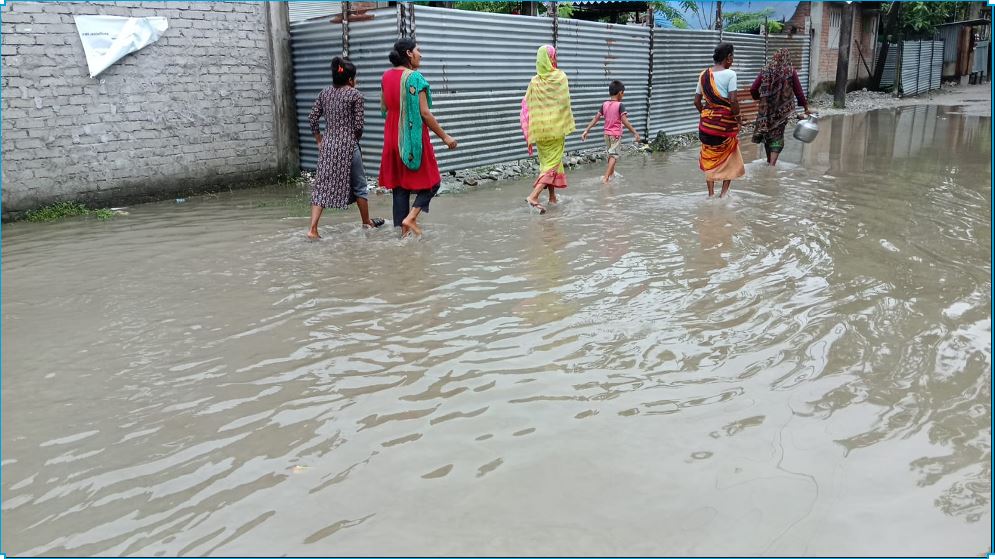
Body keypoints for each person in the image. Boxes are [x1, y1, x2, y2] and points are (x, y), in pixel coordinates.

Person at [378, 37, 457, 238]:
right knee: (433, 183)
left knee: (400, 187)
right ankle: (411, 218)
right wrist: (445, 137)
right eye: (418, 50)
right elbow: (425, 113)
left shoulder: (385, 76)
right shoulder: (415, 78)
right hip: (413, 139)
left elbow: (384, 108)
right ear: (409, 54)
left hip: (392, 138)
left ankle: (402, 238)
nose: (421, 54)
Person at [306, 57, 384, 239]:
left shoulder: (324, 93)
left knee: (321, 187)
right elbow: (358, 126)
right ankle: (366, 223)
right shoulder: (355, 95)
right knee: (360, 186)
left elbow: (312, 118)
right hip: (348, 146)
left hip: (328, 147)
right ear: (350, 79)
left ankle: (313, 229)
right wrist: (352, 140)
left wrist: (319, 140)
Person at [520, 44, 575, 214]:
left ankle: (552, 197)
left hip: (539, 130)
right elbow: (564, 103)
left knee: (547, 162)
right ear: (551, 58)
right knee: (553, 163)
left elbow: (526, 105)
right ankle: (534, 196)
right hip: (556, 129)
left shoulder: (534, 81)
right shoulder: (560, 77)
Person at [694, 42, 745, 198]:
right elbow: (733, 100)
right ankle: (723, 196)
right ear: (728, 57)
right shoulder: (731, 74)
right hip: (724, 129)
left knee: (709, 158)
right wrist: (738, 119)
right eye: (732, 57)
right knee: (731, 157)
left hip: (705, 128)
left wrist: (708, 115)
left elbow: (696, 101)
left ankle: (710, 195)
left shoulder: (703, 75)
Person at [750, 48, 811, 166]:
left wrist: (761, 99)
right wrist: (805, 107)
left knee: (768, 135)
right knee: (777, 136)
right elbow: (799, 92)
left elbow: (753, 89)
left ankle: (769, 163)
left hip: (765, 111)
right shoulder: (790, 71)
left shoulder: (765, 70)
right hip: (781, 112)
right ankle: (772, 166)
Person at [580, 80, 641, 183]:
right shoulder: (620, 105)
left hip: (606, 135)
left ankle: (612, 175)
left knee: (610, 154)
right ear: (620, 93)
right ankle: (606, 177)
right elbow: (625, 121)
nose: (623, 95)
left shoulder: (604, 104)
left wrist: (586, 130)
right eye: (623, 93)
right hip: (616, 135)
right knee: (614, 155)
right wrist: (635, 132)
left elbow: (596, 118)